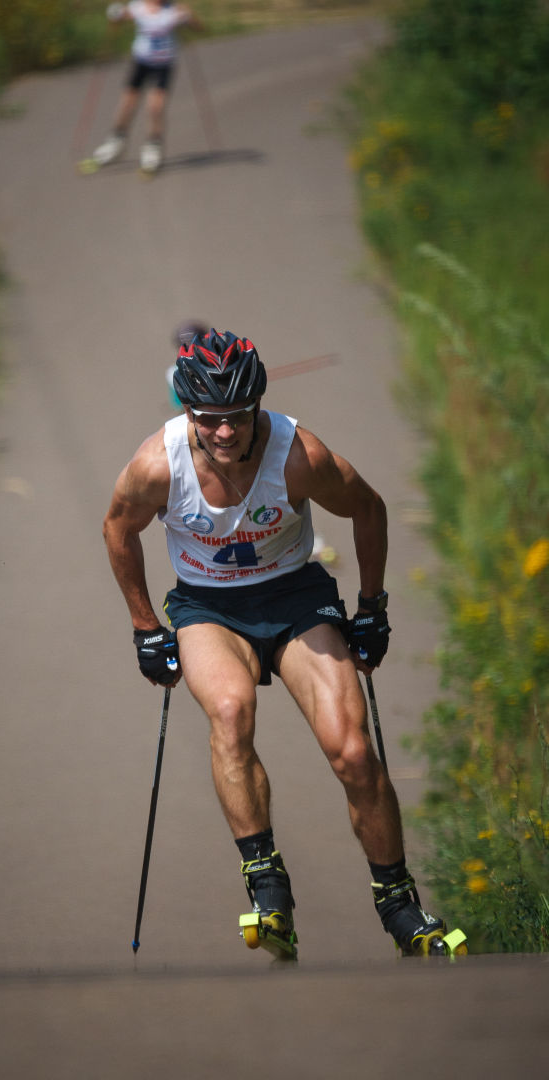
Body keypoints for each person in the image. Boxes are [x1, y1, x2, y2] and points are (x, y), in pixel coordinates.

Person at [103, 328, 453, 957]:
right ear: (187, 410)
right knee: (231, 714)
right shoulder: (158, 466)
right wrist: (145, 628)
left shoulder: (298, 456)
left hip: (294, 596)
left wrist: (372, 607)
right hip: (208, 606)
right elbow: (118, 531)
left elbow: (367, 509)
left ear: (258, 404)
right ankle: (268, 888)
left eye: (239, 416)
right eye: (209, 419)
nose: (226, 433)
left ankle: (400, 905)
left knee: (351, 749)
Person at [93, 1, 203, 173]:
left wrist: (189, 18)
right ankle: (115, 142)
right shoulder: (138, 7)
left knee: (155, 106)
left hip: (164, 64)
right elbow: (121, 16)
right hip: (141, 62)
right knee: (128, 102)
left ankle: (153, 146)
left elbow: (199, 28)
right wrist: (116, 14)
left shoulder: (173, 11)